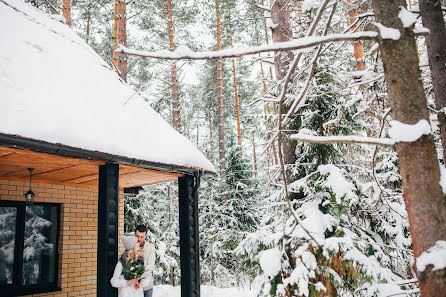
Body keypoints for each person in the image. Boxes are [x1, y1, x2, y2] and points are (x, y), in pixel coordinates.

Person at [134, 225, 156, 297]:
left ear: (145, 236)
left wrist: (138, 276)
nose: (139, 239)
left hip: (147, 287)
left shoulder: (150, 248)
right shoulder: (128, 247)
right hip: (132, 287)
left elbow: (150, 266)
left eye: (141, 237)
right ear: (134, 235)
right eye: (137, 236)